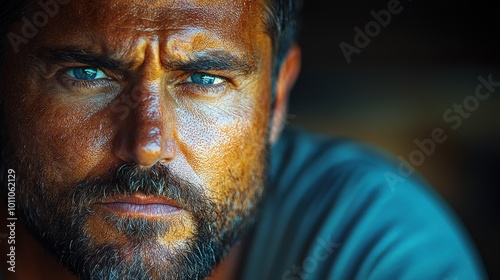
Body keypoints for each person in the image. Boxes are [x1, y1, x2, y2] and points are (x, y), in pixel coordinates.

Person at [0, 0, 487, 279]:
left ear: (276, 99)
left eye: (206, 79)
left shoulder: (366, 235)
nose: (148, 145)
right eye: (87, 73)